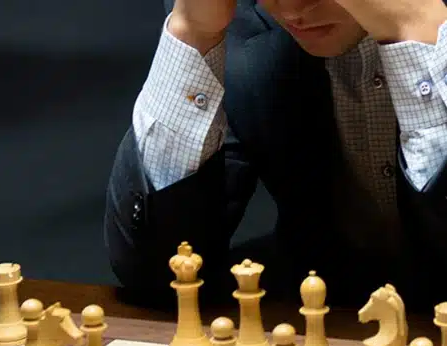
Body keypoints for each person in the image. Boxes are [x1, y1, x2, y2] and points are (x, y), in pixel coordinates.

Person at [103, 0, 447, 307]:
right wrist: (191, 30)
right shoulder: (239, 13)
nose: (292, 8)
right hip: (327, 326)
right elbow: (150, 271)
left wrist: (419, 30)